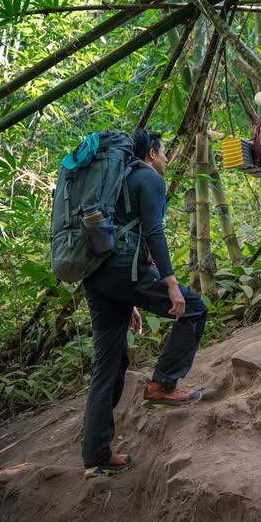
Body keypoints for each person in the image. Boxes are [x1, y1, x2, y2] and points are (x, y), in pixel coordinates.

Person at [81, 129, 207, 478]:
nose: (166, 159)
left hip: (97, 275)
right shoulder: (148, 179)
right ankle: (163, 384)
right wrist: (170, 283)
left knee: (106, 366)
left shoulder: (115, 181)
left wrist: (130, 300)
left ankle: (96, 457)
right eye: (164, 152)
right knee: (194, 308)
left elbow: (121, 233)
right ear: (151, 153)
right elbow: (152, 231)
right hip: (126, 271)